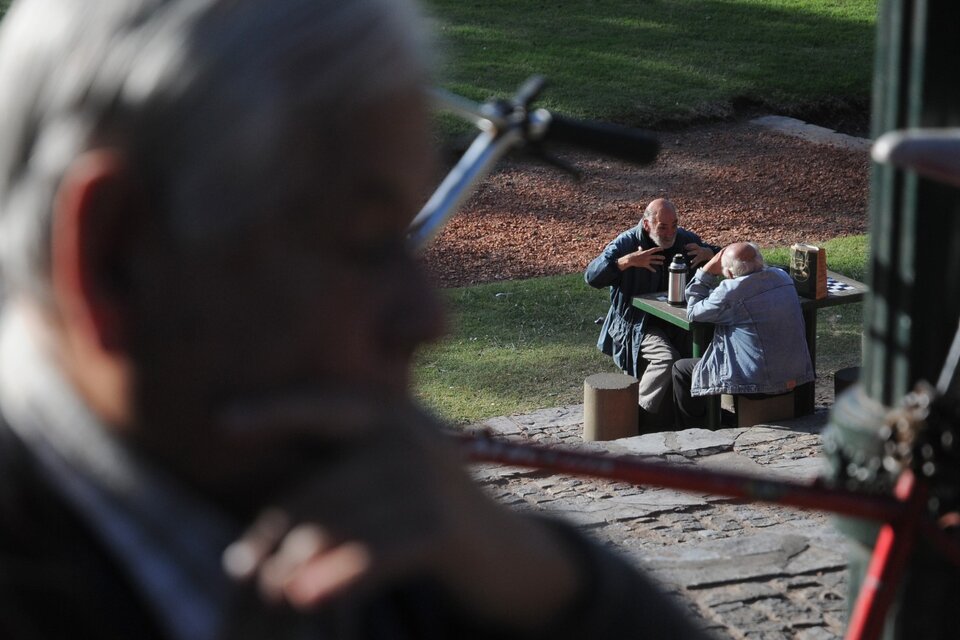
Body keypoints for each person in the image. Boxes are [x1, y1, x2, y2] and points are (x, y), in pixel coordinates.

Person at [0, 1, 710, 638]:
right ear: (115, 259)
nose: (430, 320)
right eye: (367, 244)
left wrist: (546, 582)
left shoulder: (376, 525)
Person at [585, 198, 719, 427]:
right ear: (647, 225)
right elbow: (592, 277)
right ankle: (634, 417)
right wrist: (626, 262)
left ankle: (700, 419)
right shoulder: (627, 243)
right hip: (636, 324)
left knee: (714, 347)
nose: (670, 233)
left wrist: (710, 254)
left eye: (674, 225)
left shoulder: (685, 241)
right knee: (666, 358)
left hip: (677, 321)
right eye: (662, 227)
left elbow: (733, 257)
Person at [671, 242, 815, 427]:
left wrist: (706, 271)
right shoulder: (783, 278)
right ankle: (725, 418)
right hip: (796, 375)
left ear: (730, 274)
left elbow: (693, 311)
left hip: (756, 382)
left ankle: (699, 429)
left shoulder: (730, 291)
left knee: (681, 369)